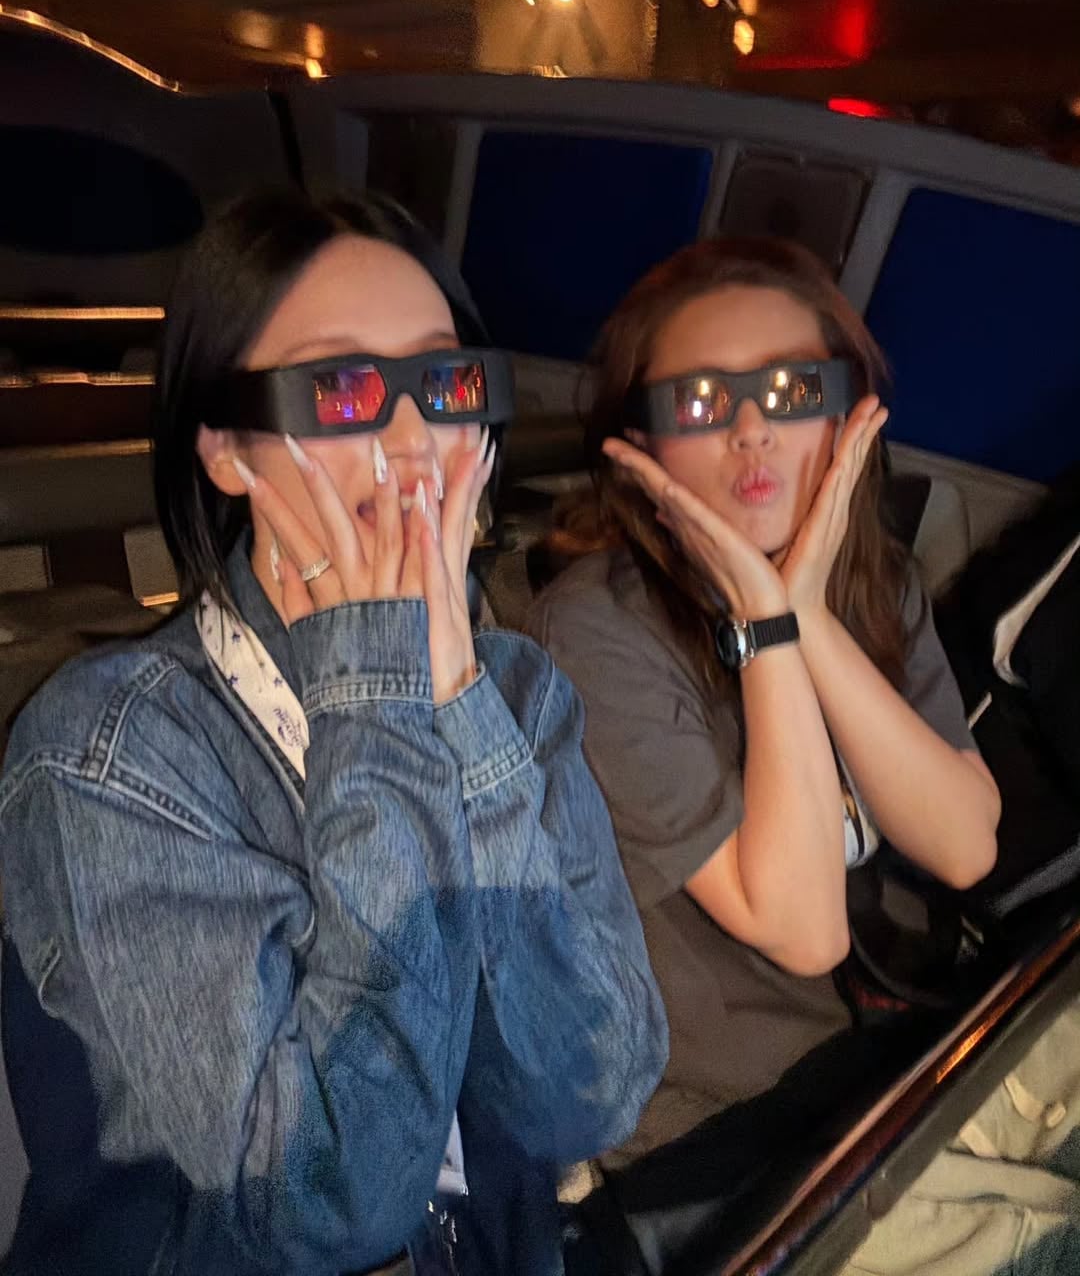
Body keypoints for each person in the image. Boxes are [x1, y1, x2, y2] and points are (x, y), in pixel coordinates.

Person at [0, 188, 667, 1276]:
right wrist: (374, 695)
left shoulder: (517, 694)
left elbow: (588, 1097)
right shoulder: (109, 751)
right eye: (344, 389)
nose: (414, 441)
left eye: (445, 385)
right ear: (227, 450)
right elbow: (328, 1202)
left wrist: (454, 699)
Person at [528, 237, 1000, 1164]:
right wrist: (768, 624)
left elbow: (963, 845)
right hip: (735, 1113)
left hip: (898, 1044)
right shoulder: (589, 632)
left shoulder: (871, 579)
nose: (752, 430)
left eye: (791, 391)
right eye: (701, 403)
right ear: (642, 443)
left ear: (843, 413)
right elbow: (803, 931)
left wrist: (806, 612)